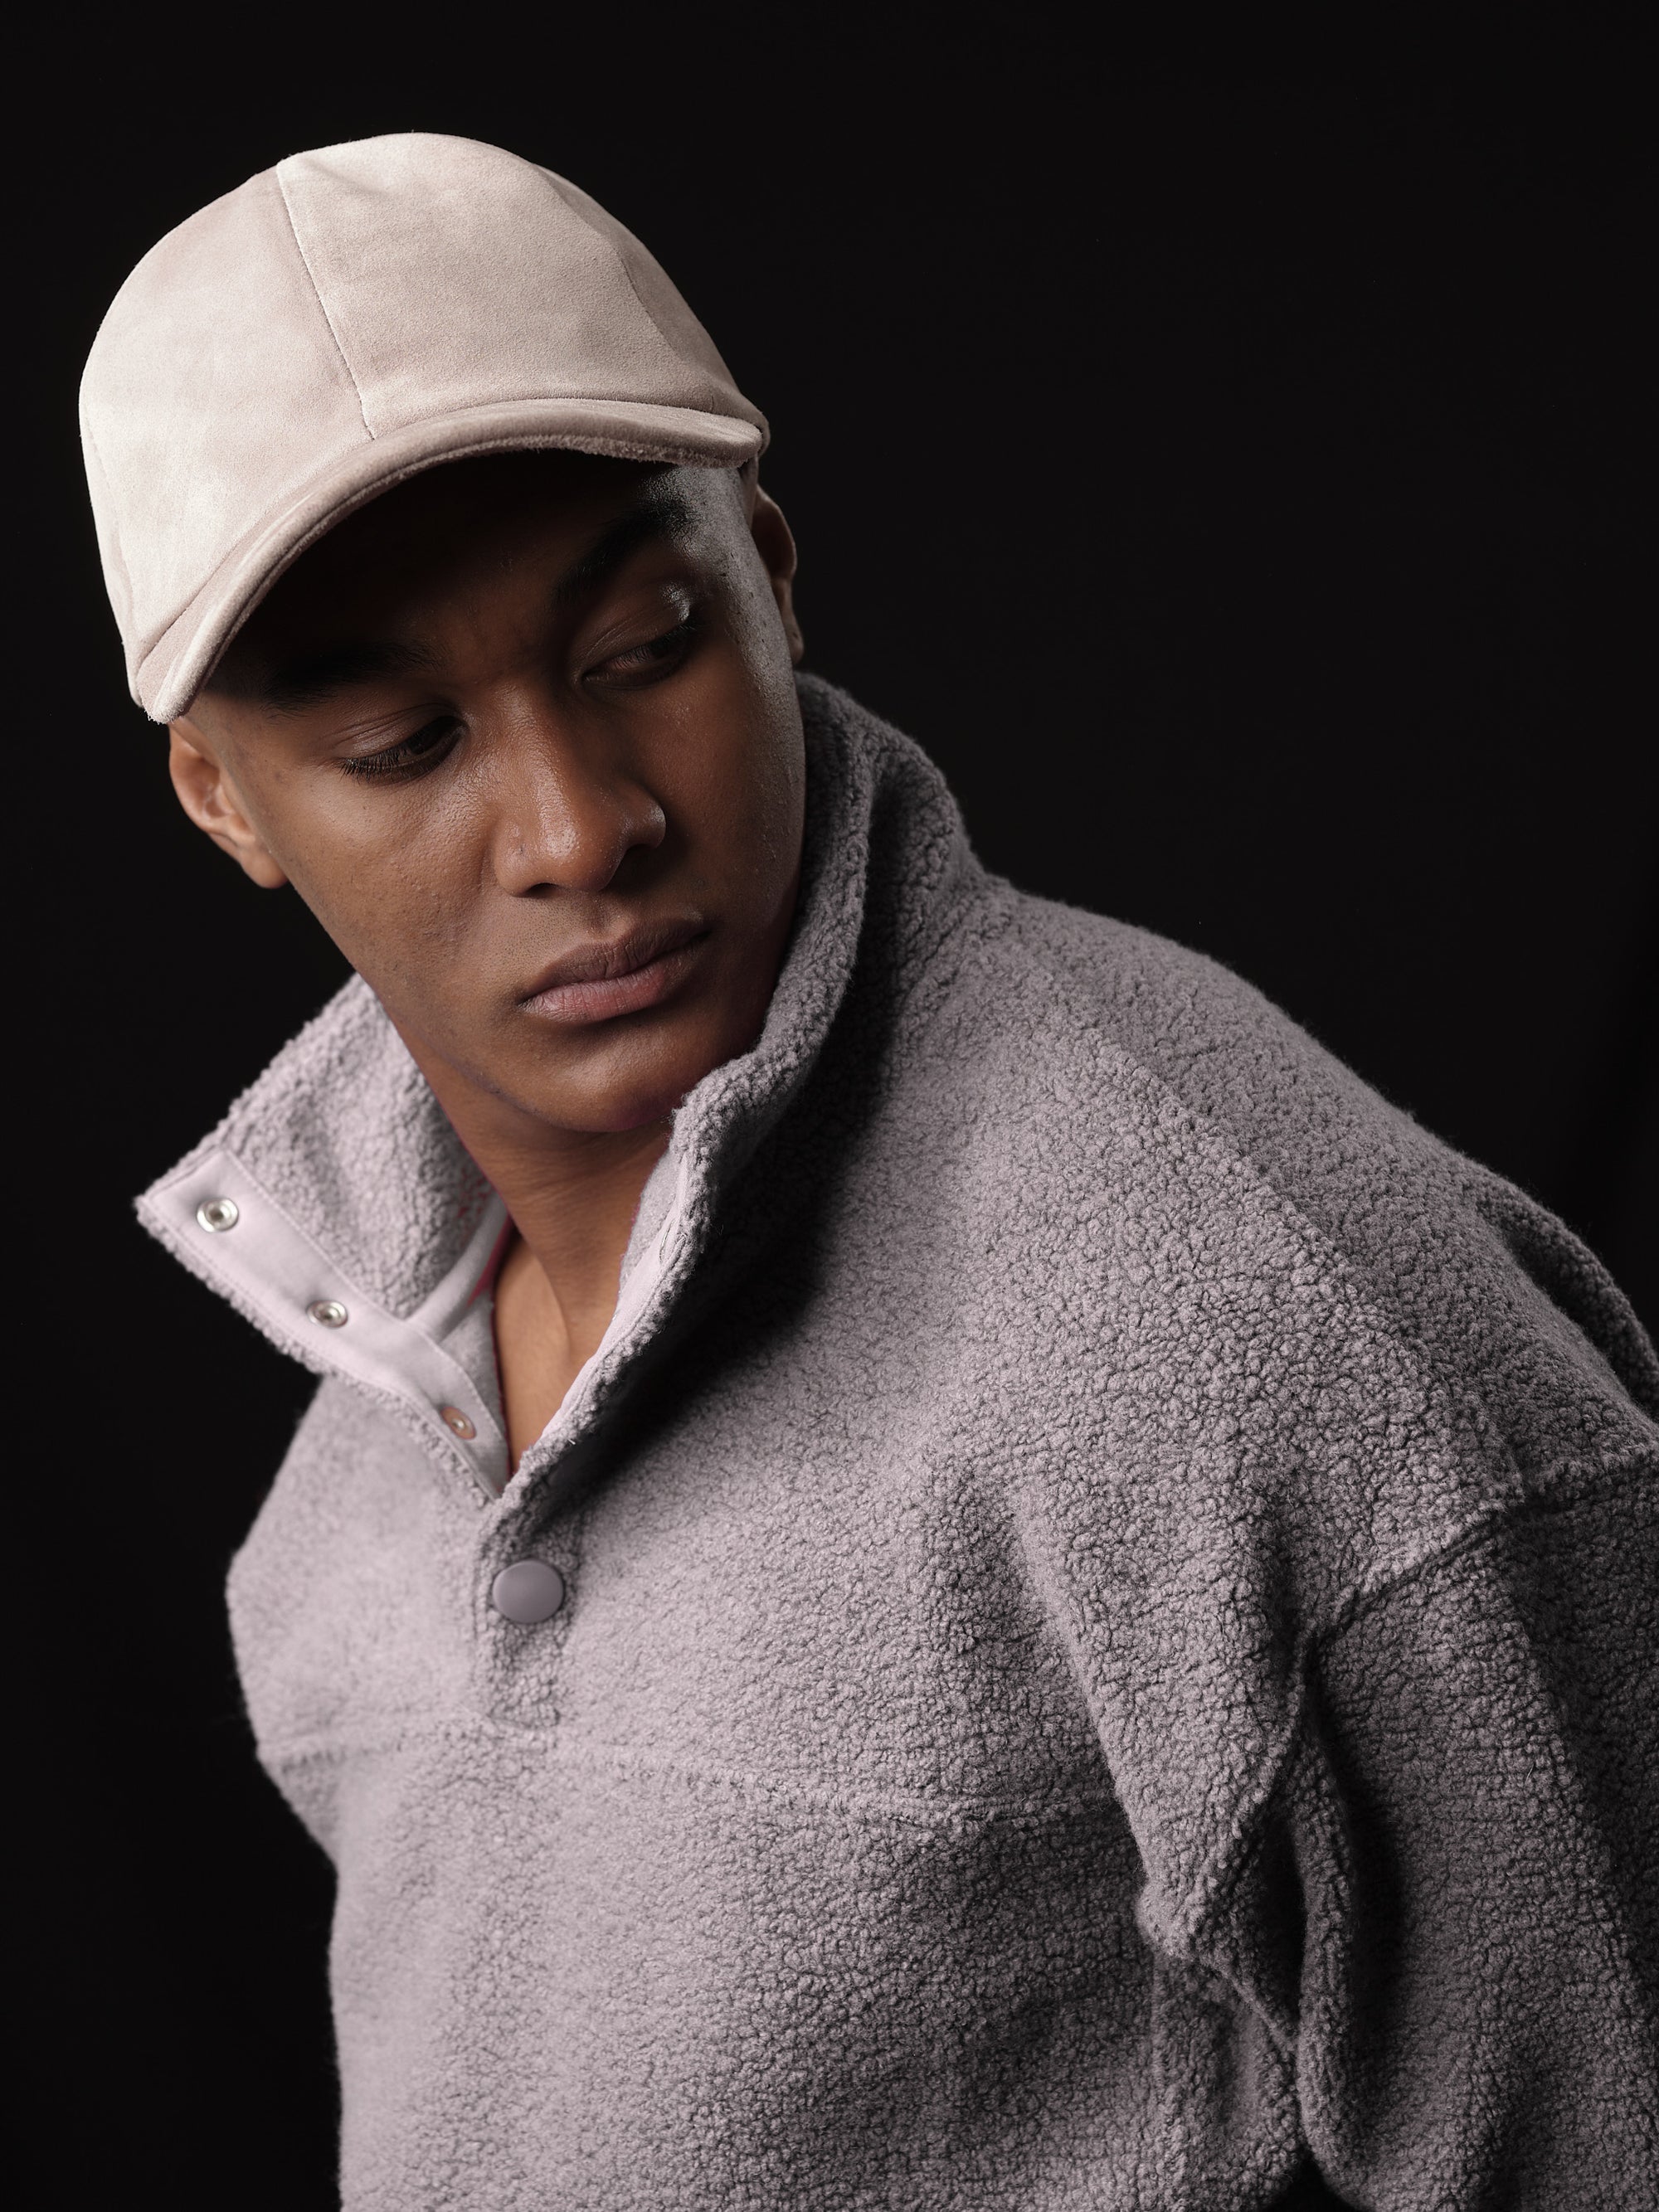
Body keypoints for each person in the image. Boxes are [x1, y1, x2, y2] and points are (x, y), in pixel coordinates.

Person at [80, 132, 1658, 2212]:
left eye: (645, 642)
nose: (577, 825)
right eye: (405, 744)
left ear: (772, 567)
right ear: (224, 797)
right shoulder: (359, 1424)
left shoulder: (1256, 1314)